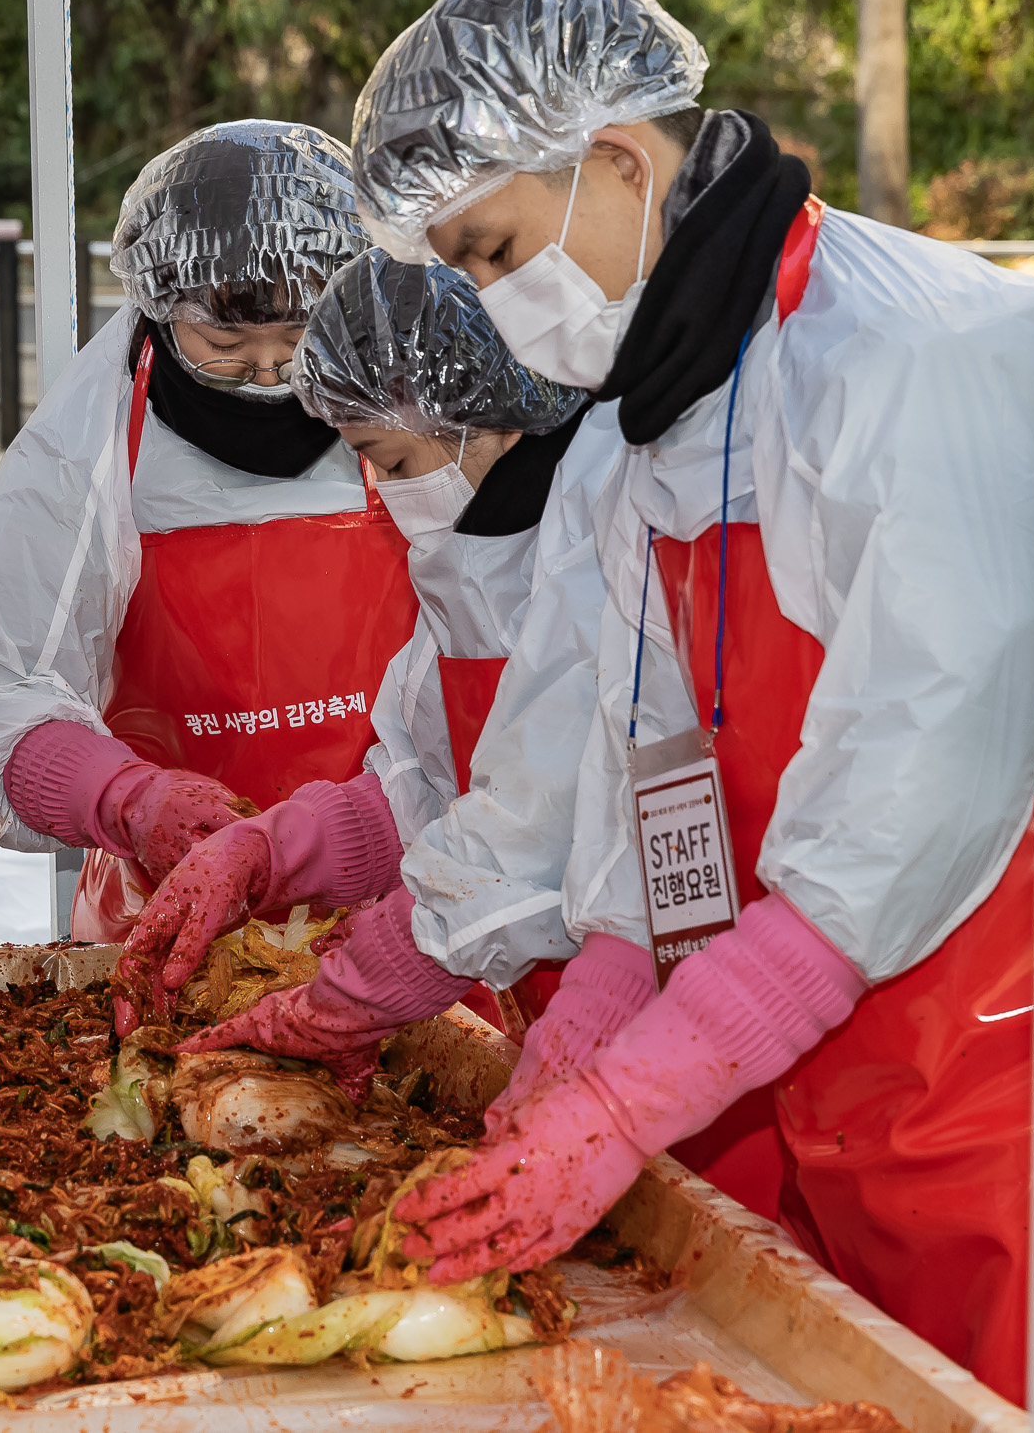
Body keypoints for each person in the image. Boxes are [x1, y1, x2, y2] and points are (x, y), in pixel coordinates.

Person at [350, 0, 1034, 1430]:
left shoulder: (917, 360)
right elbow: (650, 795)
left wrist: (620, 1104)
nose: (484, 301)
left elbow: (897, 824)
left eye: (491, 248)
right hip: (880, 1128)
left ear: (618, 162)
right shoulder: (650, 429)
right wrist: (581, 1028)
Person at [116, 249, 649, 1086]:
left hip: (676, 1027)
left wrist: (364, 983)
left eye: (394, 462)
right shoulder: (467, 565)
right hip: (562, 1025)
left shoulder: (605, 555)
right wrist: (268, 852)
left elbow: (534, 839)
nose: (392, 490)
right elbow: (419, 787)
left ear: (486, 413)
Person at [0, 122, 413, 943]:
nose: (264, 373)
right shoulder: (89, 443)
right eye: (224, 343)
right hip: (165, 910)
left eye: (299, 344)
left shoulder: (409, 411)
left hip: (399, 901)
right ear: (157, 304)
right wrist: (123, 797)